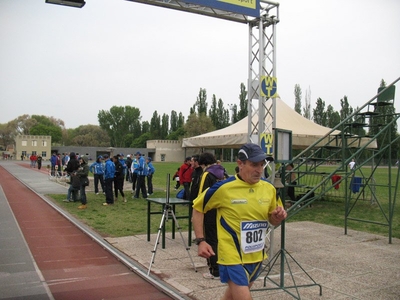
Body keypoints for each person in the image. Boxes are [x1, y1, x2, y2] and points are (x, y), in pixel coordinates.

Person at [192, 143, 287, 299]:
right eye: (254, 164)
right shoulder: (223, 188)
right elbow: (198, 208)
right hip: (231, 255)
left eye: (262, 165)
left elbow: (273, 220)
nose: (259, 169)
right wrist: (201, 240)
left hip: (256, 254)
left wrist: (277, 218)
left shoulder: (269, 188)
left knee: (232, 296)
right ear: (240, 164)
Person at [197, 152, 226, 279]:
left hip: (209, 212)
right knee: (221, 239)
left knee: (210, 240)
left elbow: (201, 195)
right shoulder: (223, 172)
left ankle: (214, 270)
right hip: (223, 210)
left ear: (203, 163)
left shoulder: (207, 174)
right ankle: (223, 266)